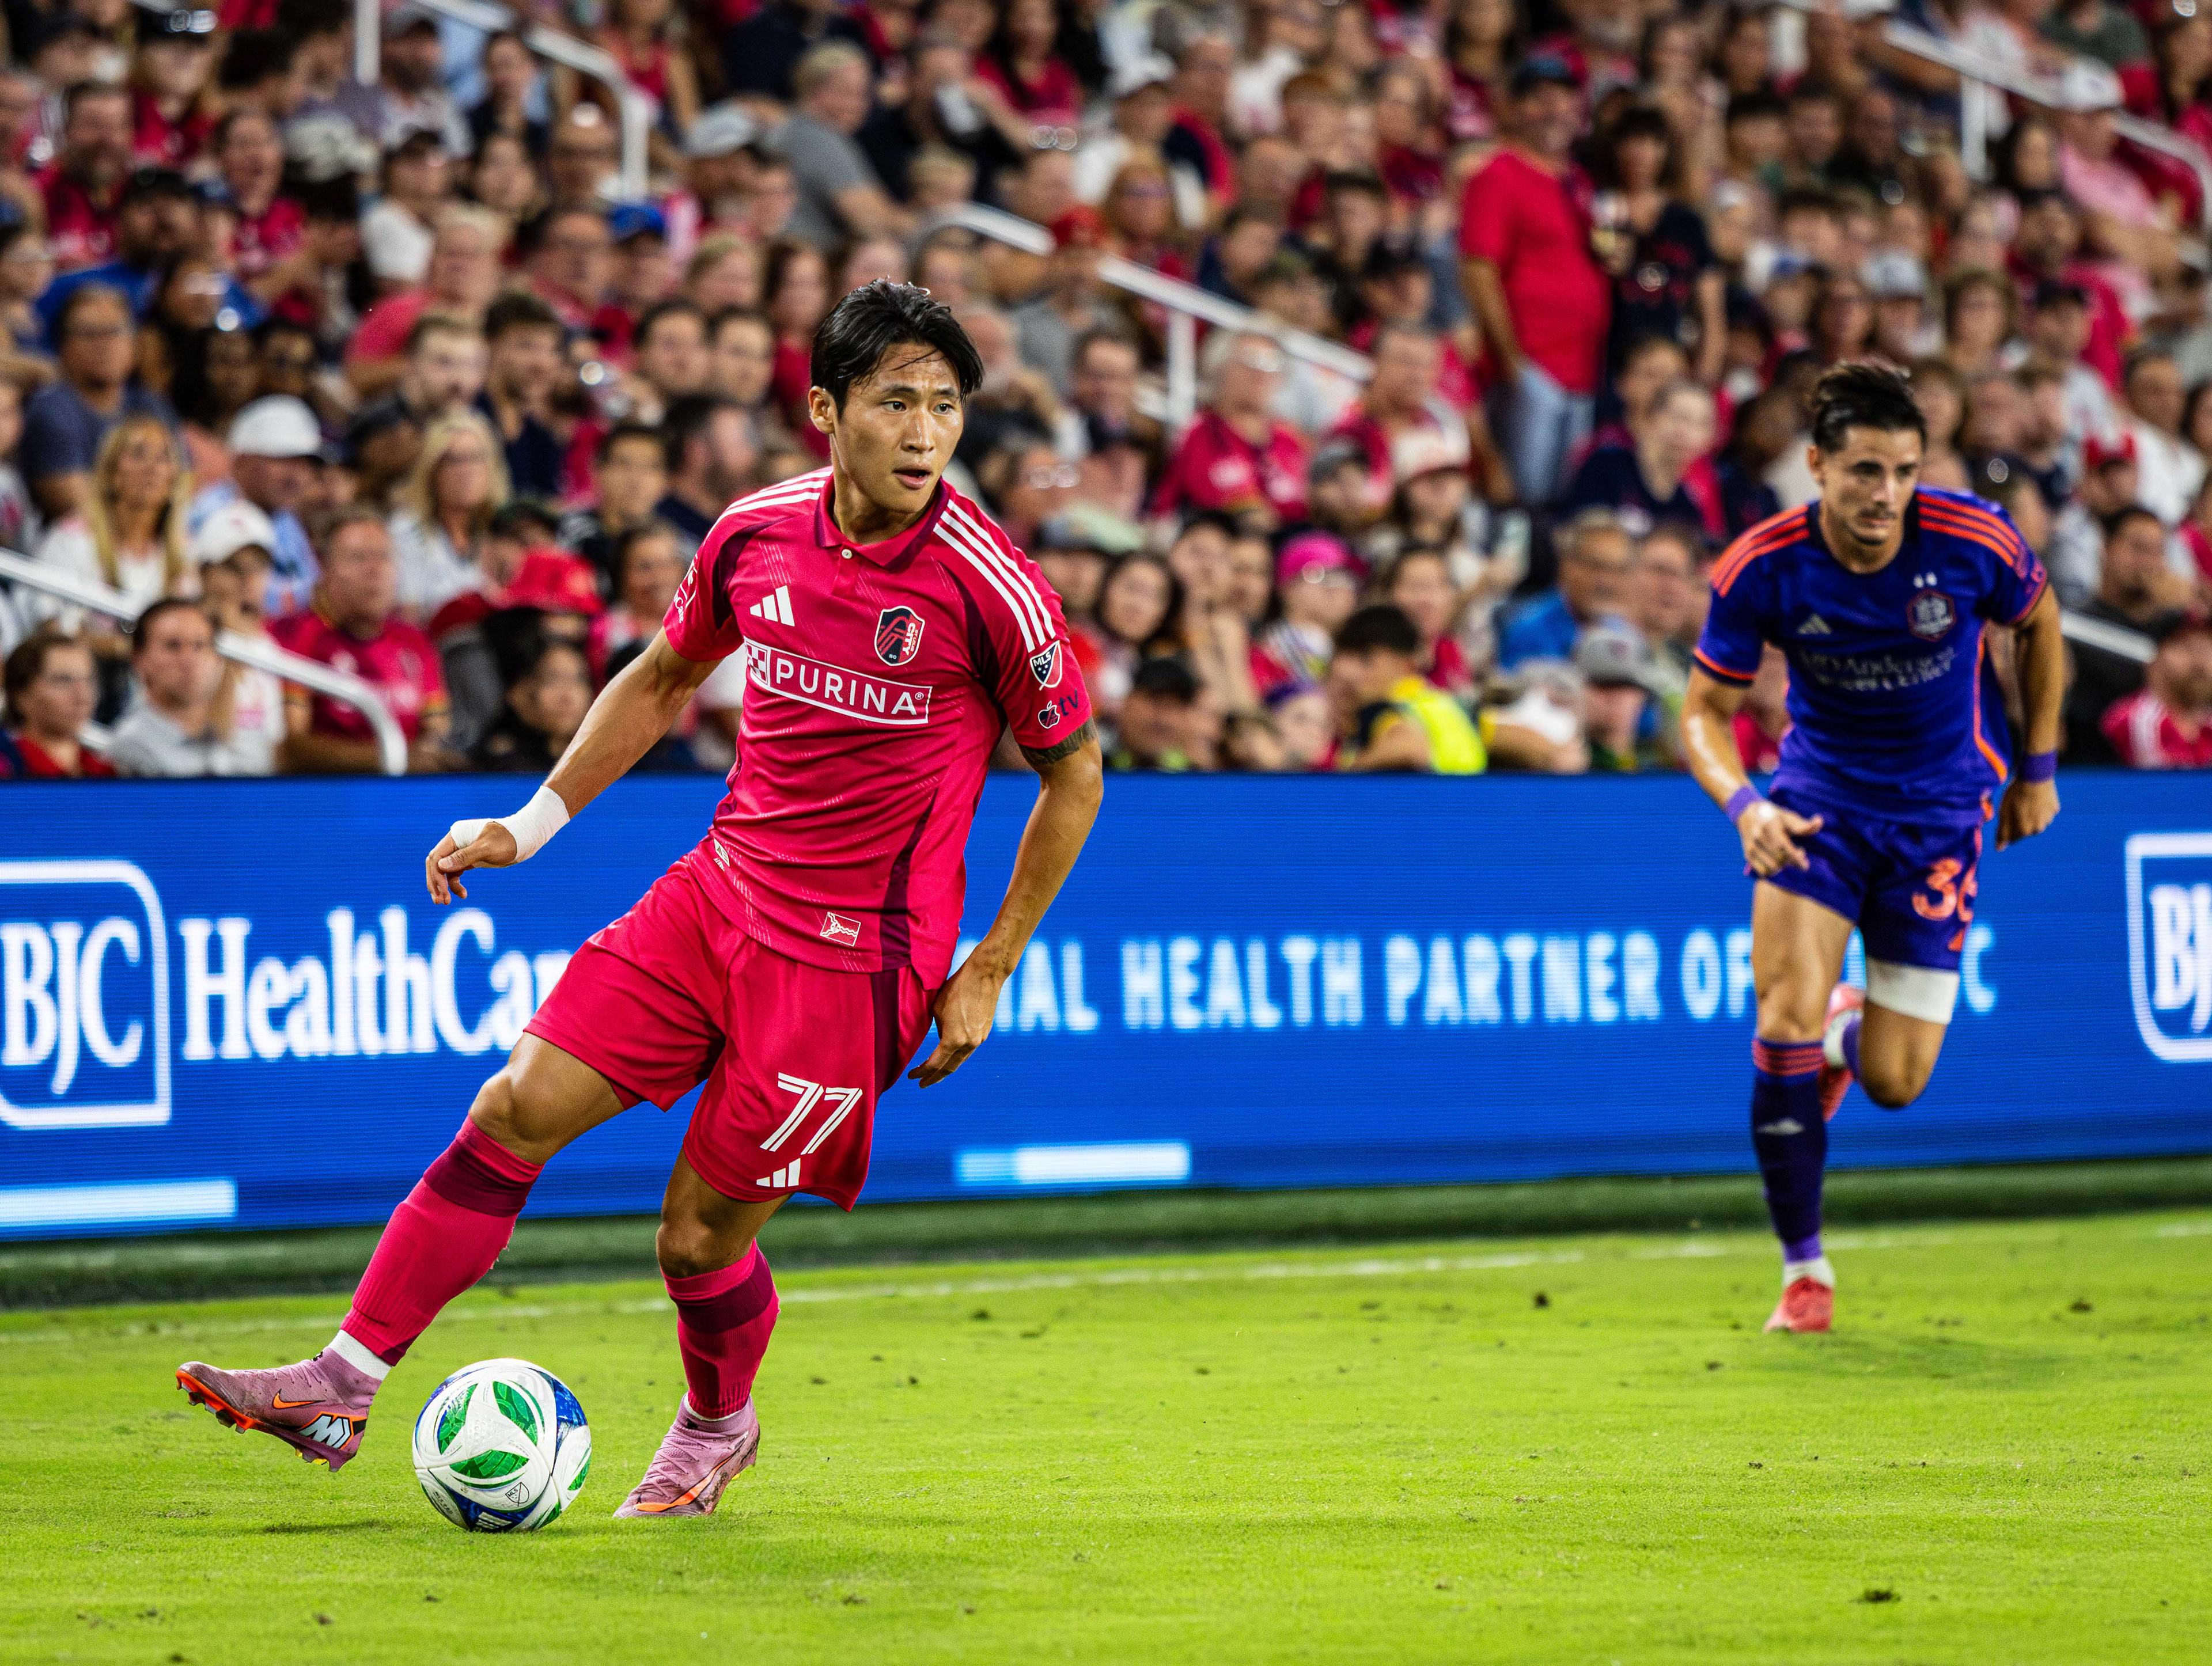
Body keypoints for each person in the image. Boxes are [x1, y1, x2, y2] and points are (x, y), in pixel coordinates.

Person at [176, 282, 1103, 1521]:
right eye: (896, 402)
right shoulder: (756, 532)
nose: (926, 432)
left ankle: (718, 1424)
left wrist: (989, 963)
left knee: (695, 1239)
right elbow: (666, 674)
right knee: (514, 1104)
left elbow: (1075, 773)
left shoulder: (993, 586)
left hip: (853, 965)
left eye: (945, 406)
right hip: (715, 897)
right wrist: (531, 822)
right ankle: (343, 1383)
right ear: (828, 410)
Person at [1677, 364, 2064, 1335]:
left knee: (1896, 1081)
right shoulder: (1760, 565)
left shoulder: (1974, 538)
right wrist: (1744, 806)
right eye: (1861, 472)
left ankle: (1850, 1036)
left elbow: (2039, 621)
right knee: (1780, 1015)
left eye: (1901, 470)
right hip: (1819, 810)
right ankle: (1804, 1268)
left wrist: (2040, 765)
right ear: (1817, 467)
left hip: (1941, 818)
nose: (1883, 494)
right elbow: (1702, 716)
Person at [1459, 58, 1609, 506]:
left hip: (1581, 371)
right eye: (1543, 99)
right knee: (1524, 504)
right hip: (1533, 367)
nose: (1557, 110)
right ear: (1517, 107)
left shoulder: (1579, 181)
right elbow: (1478, 269)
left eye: (1567, 100)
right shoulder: (1497, 174)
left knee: (1560, 507)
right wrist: (1513, 362)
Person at [270, 506, 453, 773]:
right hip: (329, 798)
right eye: (358, 558)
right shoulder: (295, 637)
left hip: (410, 797)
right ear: (323, 567)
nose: (375, 571)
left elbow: (437, 733)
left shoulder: (415, 641)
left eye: (383, 558)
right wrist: (389, 759)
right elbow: (292, 747)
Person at [22, 283, 171, 519]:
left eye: (115, 331)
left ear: (134, 345)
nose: (105, 344)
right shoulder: (51, 408)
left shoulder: (150, 404)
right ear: (63, 347)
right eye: (89, 333)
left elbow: (186, 480)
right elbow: (71, 503)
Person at [187, 396, 320, 616]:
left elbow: (312, 591)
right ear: (242, 463)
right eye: (283, 460)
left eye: (304, 463)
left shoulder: (286, 520)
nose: (297, 475)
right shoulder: (210, 511)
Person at [105, 595, 266, 776]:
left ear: (216, 658)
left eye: (199, 646)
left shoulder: (241, 740)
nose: (189, 660)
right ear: (140, 660)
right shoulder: (131, 748)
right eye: (173, 646)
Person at [1326, 603, 1486, 772]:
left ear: (1408, 665)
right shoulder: (1455, 706)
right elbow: (1514, 737)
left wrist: (1342, 779)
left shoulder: (1381, 708)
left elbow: (1410, 748)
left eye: (1366, 661)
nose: (1351, 674)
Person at [388, 408, 512, 620]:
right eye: (452, 460)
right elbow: (408, 617)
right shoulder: (406, 530)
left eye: (475, 458)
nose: (466, 471)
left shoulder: (506, 532)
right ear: (431, 471)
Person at [1498, 508, 1635, 667]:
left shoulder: (1625, 635)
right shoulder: (1528, 631)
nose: (1607, 582)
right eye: (1597, 567)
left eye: (1617, 570)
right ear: (1567, 566)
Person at [2101, 610, 2212, 768]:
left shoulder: (2207, 723)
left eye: (2207, 646)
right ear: (2155, 657)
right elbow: (2170, 790)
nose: (2200, 660)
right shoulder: (2136, 720)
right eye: (2186, 646)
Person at [0, 629, 112, 779]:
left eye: (89, 680)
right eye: (63, 680)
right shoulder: (8, 771)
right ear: (22, 695)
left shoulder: (106, 772)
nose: (83, 696)